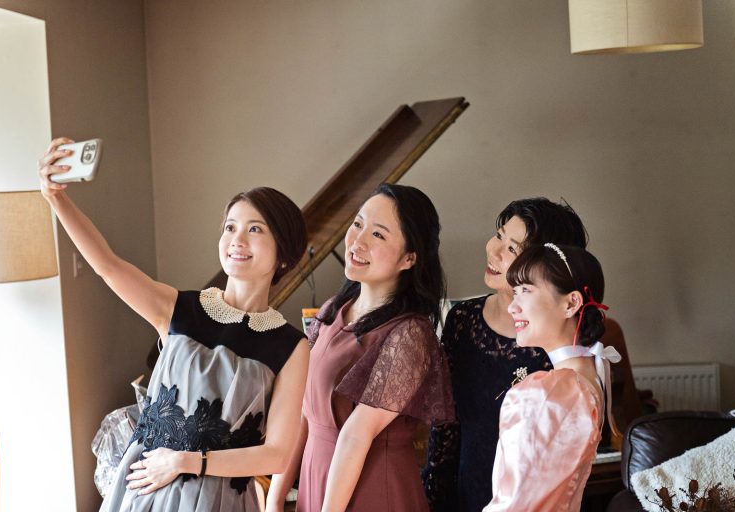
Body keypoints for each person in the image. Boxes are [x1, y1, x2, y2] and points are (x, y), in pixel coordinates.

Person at [38, 137, 310, 512]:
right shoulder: (178, 308)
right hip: (144, 492)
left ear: (285, 253)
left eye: (255, 229)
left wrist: (188, 462)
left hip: (220, 502)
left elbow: (277, 455)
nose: (237, 240)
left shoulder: (290, 345)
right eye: (230, 227)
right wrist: (57, 199)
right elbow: (107, 265)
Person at [266, 183, 455, 512]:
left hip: (373, 488)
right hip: (318, 476)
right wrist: (274, 497)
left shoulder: (410, 335)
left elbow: (356, 435)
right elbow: (304, 412)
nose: (358, 241)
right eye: (358, 224)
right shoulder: (330, 310)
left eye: (379, 235)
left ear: (410, 258)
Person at [423, 198, 589, 512]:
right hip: (461, 491)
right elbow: (445, 423)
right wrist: (432, 495)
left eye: (512, 249)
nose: (494, 250)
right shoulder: (463, 318)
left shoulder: (557, 341)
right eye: (499, 235)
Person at [482, 243, 620, 511]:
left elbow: (514, 504)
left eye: (525, 290)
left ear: (571, 303)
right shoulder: (591, 376)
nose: (513, 306)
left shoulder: (545, 393)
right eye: (514, 292)